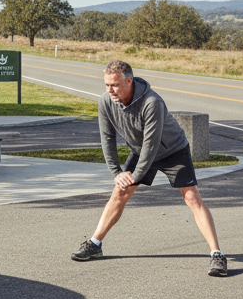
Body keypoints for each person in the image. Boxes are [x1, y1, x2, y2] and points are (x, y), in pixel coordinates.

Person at [71, 59, 227, 276]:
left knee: (191, 197)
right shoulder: (106, 102)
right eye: (106, 85)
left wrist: (134, 176)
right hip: (140, 149)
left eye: (114, 85)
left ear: (129, 81)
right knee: (120, 191)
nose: (110, 90)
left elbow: (151, 145)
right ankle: (95, 244)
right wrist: (118, 174)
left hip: (173, 150)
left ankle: (217, 255)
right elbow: (107, 138)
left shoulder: (152, 102)